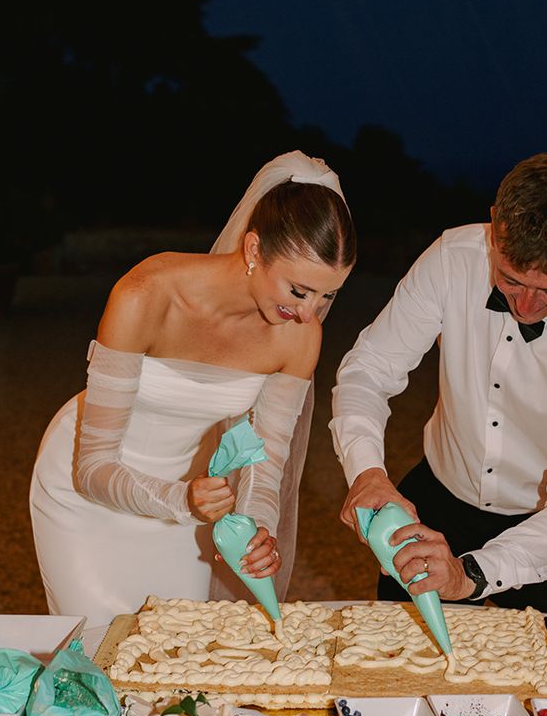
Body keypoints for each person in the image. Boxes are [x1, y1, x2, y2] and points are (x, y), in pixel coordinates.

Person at [330, 152, 547, 622]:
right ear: (494, 228)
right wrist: (366, 471)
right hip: (438, 497)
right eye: (509, 279)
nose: (526, 305)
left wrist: (471, 575)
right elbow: (370, 369)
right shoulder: (450, 259)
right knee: (397, 667)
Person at [30, 151, 356, 625]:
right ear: (252, 250)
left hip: (189, 506)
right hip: (87, 493)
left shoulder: (300, 336)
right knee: (98, 651)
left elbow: (263, 464)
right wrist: (181, 500)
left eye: (329, 296)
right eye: (299, 291)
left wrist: (257, 530)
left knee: (177, 651)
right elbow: (93, 467)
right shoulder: (146, 295)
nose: (311, 314)